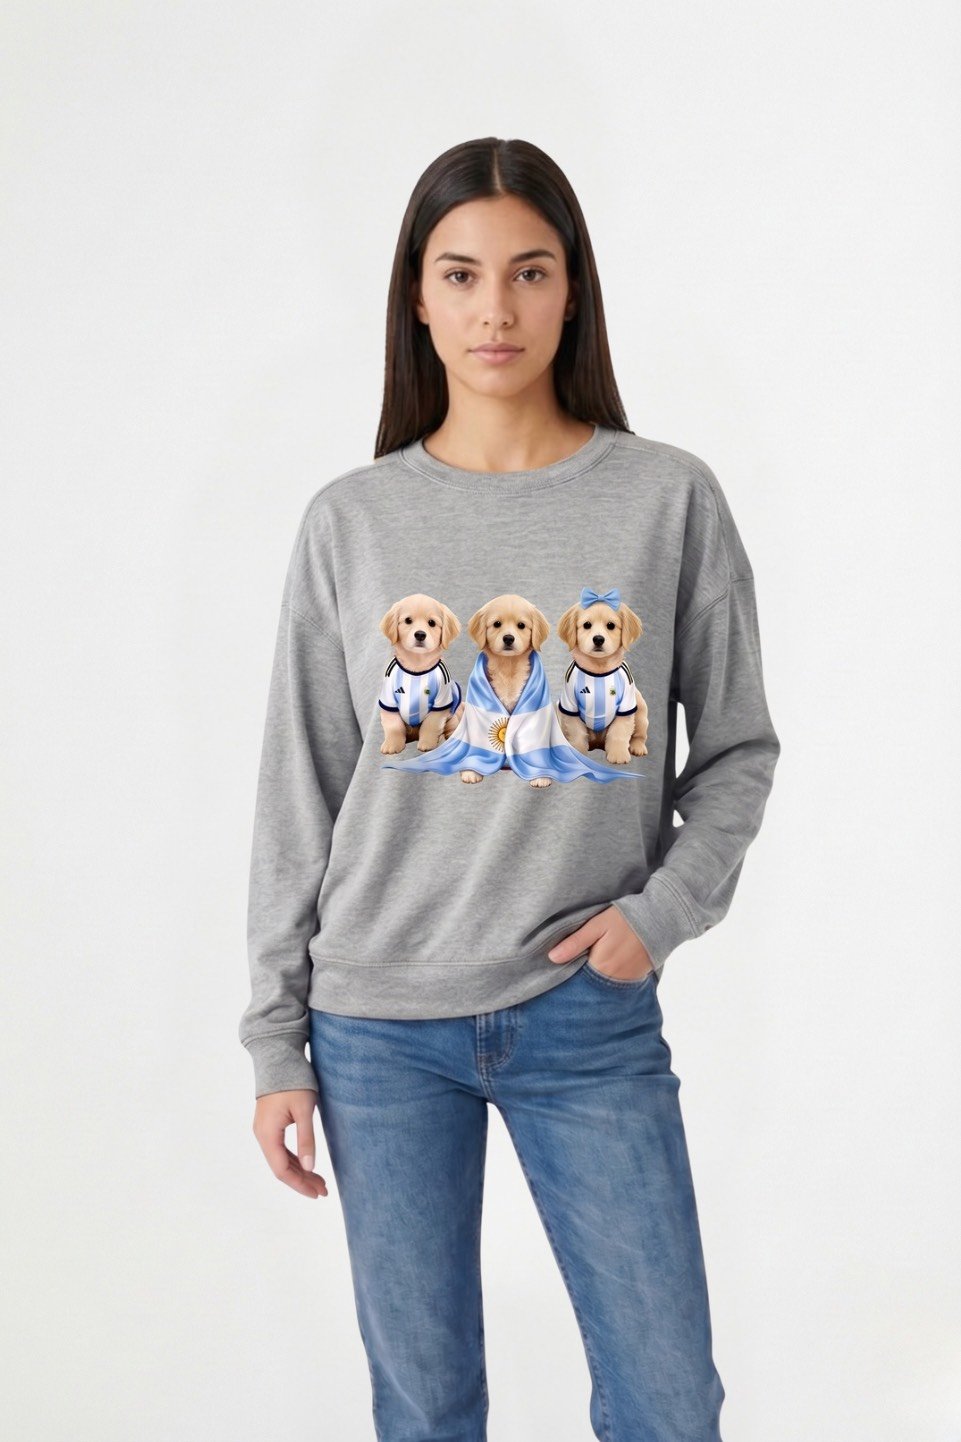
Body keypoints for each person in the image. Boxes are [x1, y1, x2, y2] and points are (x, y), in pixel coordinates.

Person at [239, 135, 781, 1442]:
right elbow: (299, 787)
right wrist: (275, 1040)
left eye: (529, 272)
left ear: (572, 290)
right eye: (461, 274)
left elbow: (737, 750)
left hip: (584, 1013)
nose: (496, 309)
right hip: (375, 1025)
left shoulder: (665, 498)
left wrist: (658, 917)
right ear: (417, 299)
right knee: (425, 1407)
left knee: (667, 1402)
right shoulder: (351, 521)